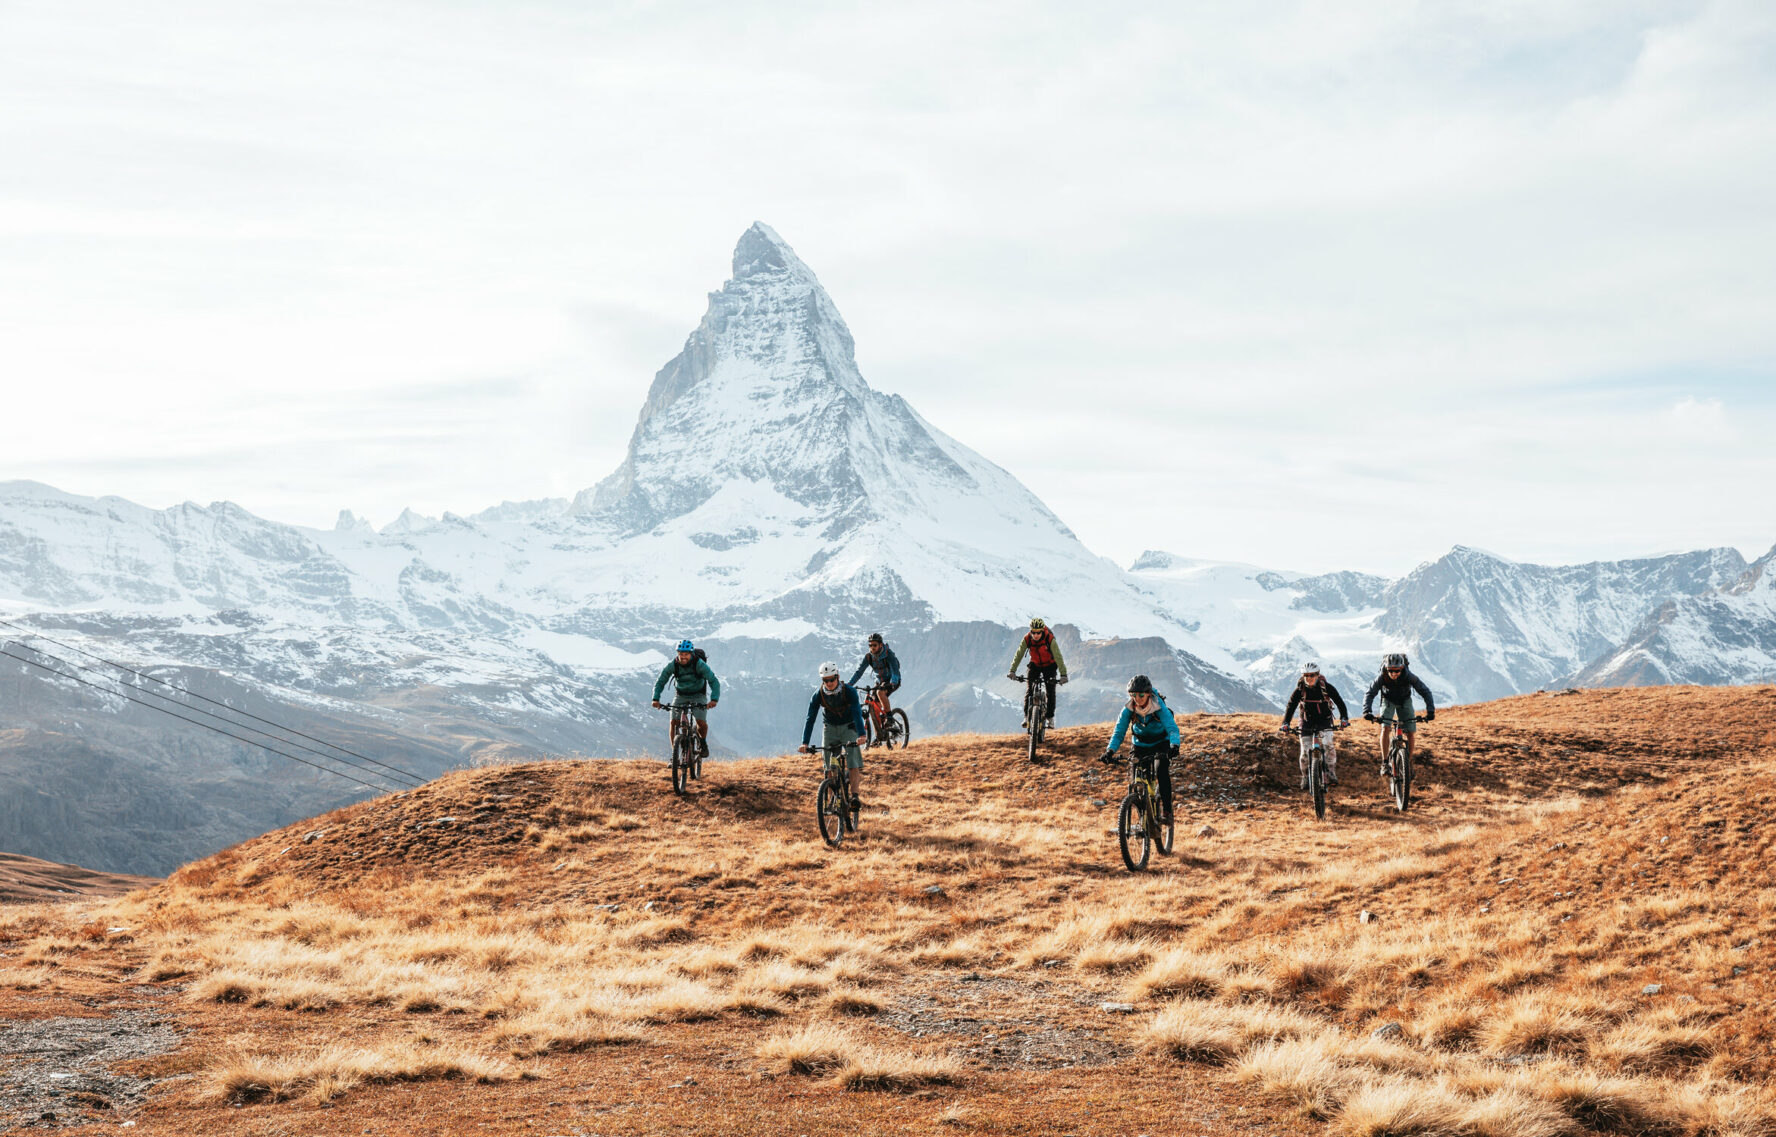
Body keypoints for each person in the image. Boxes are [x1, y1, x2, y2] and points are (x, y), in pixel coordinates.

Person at [800, 661, 868, 807]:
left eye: (832, 679)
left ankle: (855, 796)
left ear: (837, 676)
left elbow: (857, 713)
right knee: (829, 766)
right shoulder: (818, 695)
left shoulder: (849, 691)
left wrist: (861, 735)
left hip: (849, 727)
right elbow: (810, 718)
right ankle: (833, 801)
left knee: (852, 761)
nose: (829, 683)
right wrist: (805, 743)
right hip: (829, 728)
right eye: (825, 680)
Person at [1362, 653, 1435, 776]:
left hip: (1404, 700)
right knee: (1385, 728)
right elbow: (1370, 693)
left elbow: (1425, 691)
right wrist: (1367, 711)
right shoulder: (1382, 676)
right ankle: (1385, 763)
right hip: (1388, 700)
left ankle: (1408, 763)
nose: (1393, 674)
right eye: (1390, 670)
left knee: (1410, 732)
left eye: (1397, 671)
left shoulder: (1408, 676)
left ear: (1402, 668)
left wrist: (1430, 711)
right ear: (1386, 668)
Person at [1281, 662, 1350, 789]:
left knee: (1328, 745)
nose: (1309, 678)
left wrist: (1344, 718)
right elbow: (1291, 706)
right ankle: (1306, 777)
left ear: (1317, 675)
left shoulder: (1326, 687)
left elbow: (1340, 702)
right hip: (1306, 721)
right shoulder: (1300, 689)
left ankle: (1330, 772)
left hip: (1324, 720)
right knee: (1305, 752)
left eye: (1312, 675)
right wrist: (1285, 723)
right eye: (1306, 675)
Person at [650, 639, 720, 759]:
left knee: (701, 722)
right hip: (681, 695)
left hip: (699, 694)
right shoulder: (673, 665)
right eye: (681, 654)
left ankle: (703, 743)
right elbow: (661, 681)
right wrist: (655, 699)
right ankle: (674, 755)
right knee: (673, 722)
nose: (683, 657)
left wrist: (714, 699)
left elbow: (714, 681)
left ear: (691, 654)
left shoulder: (699, 664)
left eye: (686, 654)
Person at [1007, 617, 1068, 728]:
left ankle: (1050, 718)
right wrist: (1012, 670)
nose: (1035, 635)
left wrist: (1063, 674)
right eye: (1033, 632)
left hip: (1050, 666)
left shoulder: (1050, 639)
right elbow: (1019, 654)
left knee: (1050, 691)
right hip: (1035, 665)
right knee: (1029, 689)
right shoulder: (1027, 639)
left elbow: (1058, 657)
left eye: (1038, 632)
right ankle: (1026, 717)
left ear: (1042, 630)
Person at [848, 633, 902, 734]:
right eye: (870, 645)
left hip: (893, 680)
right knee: (873, 706)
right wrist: (849, 684)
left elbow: (895, 671)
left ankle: (889, 717)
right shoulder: (869, 657)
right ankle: (879, 736)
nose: (872, 647)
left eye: (874, 645)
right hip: (880, 682)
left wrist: (892, 683)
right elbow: (859, 672)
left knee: (880, 693)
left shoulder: (888, 654)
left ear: (880, 645)